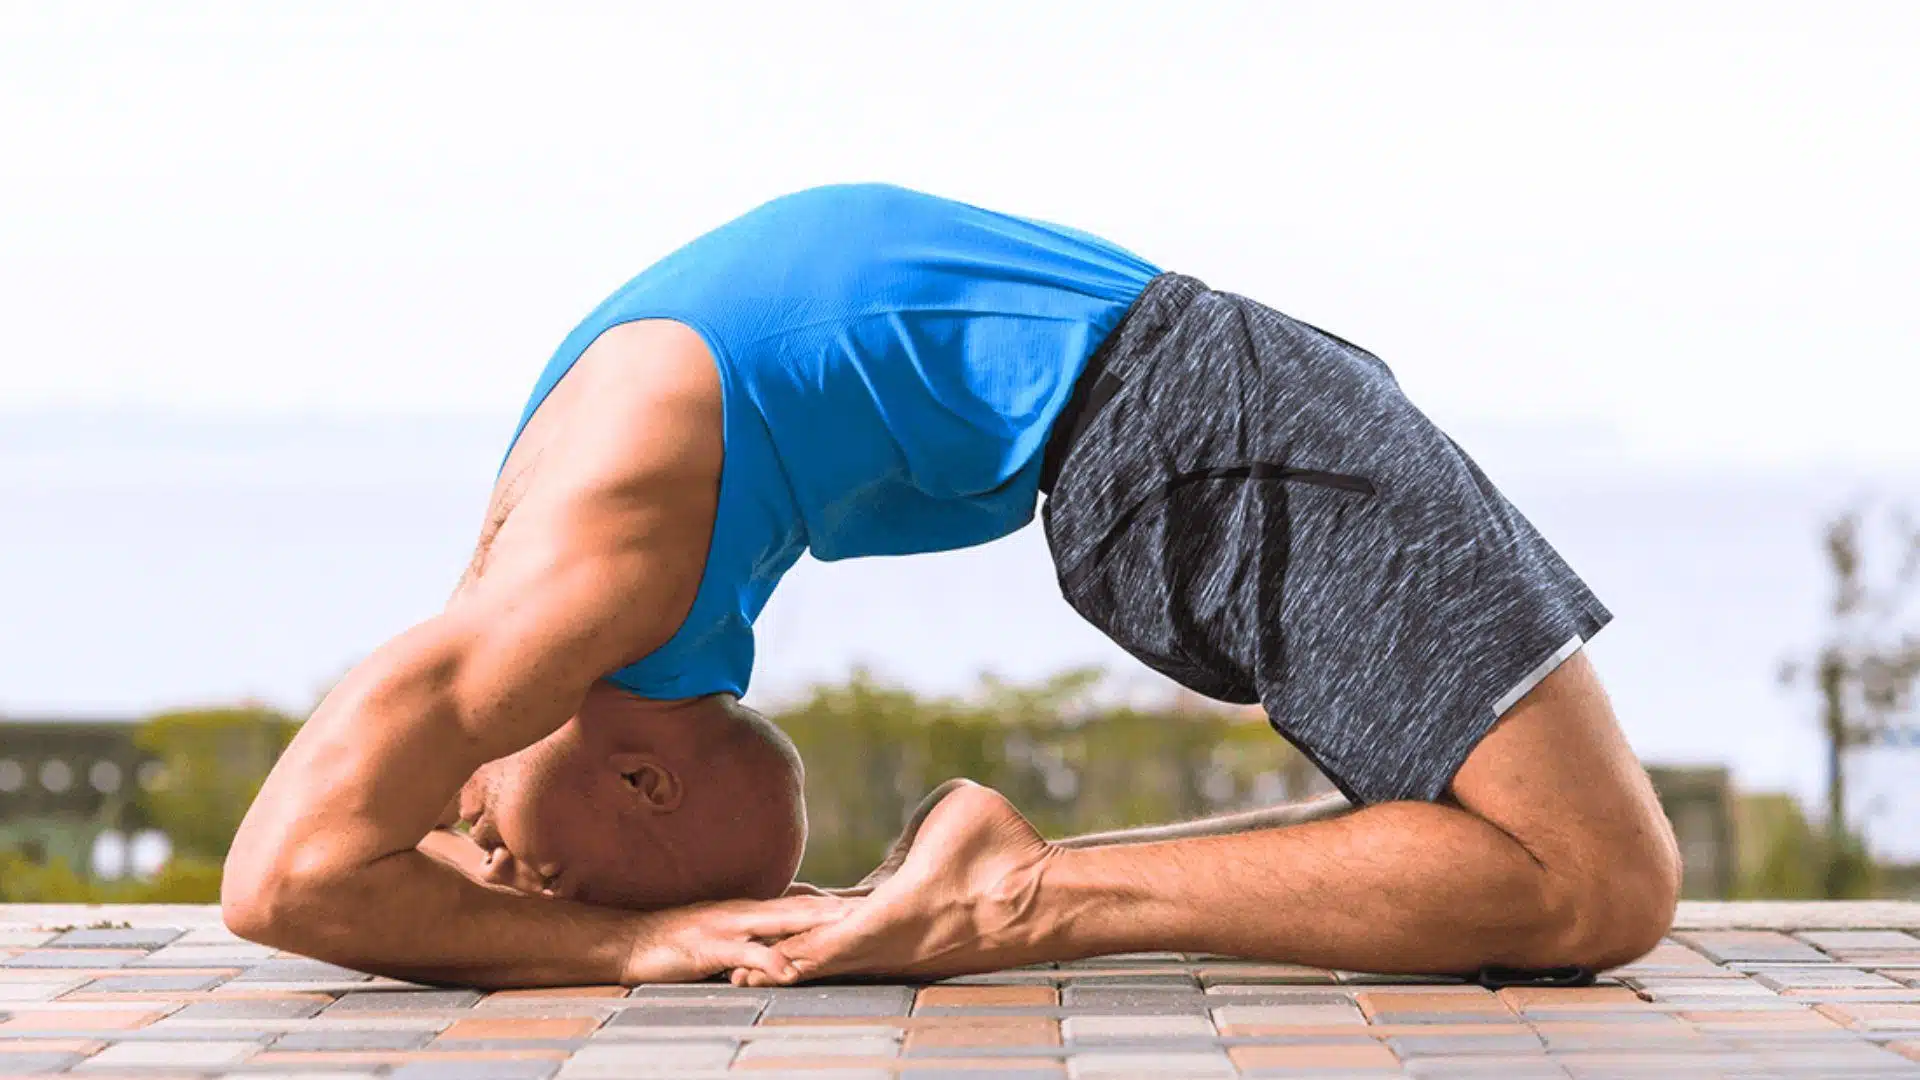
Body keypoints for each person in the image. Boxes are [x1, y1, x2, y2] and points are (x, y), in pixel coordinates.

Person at [223, 184, 1681, 988]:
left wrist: (629, 943)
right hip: (1189, 420)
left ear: (646, 785)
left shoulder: (575, 584)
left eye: (528, 866)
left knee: (1567, 876)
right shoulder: (563, 601)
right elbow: (356, 866)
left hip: (1198, 415)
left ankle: (1012, 891)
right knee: (1562, 871)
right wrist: (619, 924)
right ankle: (1010, 892)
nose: (496, 863)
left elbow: (284, 882)